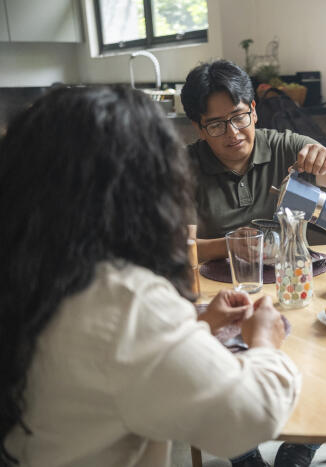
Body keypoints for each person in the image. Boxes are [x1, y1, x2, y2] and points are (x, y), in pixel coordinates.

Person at [0, 86, 300, 466]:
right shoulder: (125, 298)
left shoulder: (31, 270)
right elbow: (247, 418)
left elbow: (105, 364)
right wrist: (265, 342)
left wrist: (195, 327)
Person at [181, 60, 326, 262]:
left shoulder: (285, 147)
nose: (233, 133)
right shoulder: (183, 167)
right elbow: (180, 247)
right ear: (199, 128)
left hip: (290, 279)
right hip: (220, 287)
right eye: (216, 125)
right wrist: (228, 245)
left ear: (253, 111)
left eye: (238, 117)